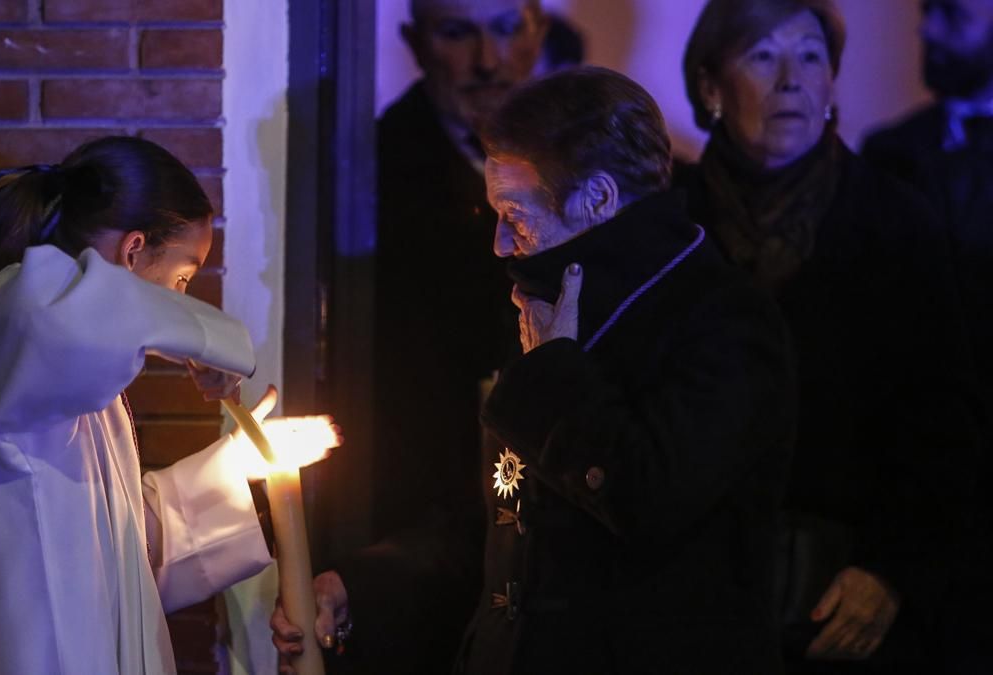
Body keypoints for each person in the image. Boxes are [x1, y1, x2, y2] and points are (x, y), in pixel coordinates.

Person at [276, 67, 797, 674]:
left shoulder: (725, 323)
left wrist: (553, 372)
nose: (500, 243)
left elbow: (647, 500)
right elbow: (507, 516)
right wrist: (358, 585)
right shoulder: (551, 298)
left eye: (516, 214)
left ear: (599, 198)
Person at [0, 136, 339, 675]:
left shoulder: (70, 376)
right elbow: (78, 313)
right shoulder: (11, 313)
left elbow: (115, 540)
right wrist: (201, 339)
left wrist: (236, 468)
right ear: (132, 250)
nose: (180, 300)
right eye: (182, 279)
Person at [677, 0, 983, 671]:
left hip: (846, 609)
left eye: (811, 56)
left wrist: (892, 571)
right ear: (709, 87)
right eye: (762, 55)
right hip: (685, 607)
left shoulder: (897, 220)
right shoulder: (668, 227)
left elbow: (945, 424)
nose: (792, 79)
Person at [365, 0, 548, 670]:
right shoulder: (370, 169)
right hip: (421, 502)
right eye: (457, 32)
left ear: (539, 34)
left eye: (506, 28)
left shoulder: (590, 156)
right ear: (416, 42)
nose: (488, 60)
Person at [862, 1, 993, 671]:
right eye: (926, 11)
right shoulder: (890, 151)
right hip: (916, 479)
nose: (927, 31)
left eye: (954, 14)